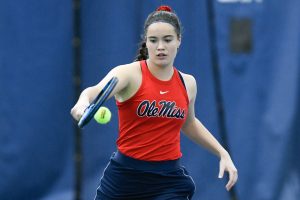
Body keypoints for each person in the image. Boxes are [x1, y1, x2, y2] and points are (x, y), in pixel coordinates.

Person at [71, 5, 238, 200]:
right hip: (125, 178)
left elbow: (189, 122)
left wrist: (222, 152)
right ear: (146, 42)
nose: (160, 47)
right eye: (153, 40)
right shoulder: (129, 74)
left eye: (167, 40)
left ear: (178, 41)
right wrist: (82, 105)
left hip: (168, 181)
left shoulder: (188, 83)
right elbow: (93, 92)